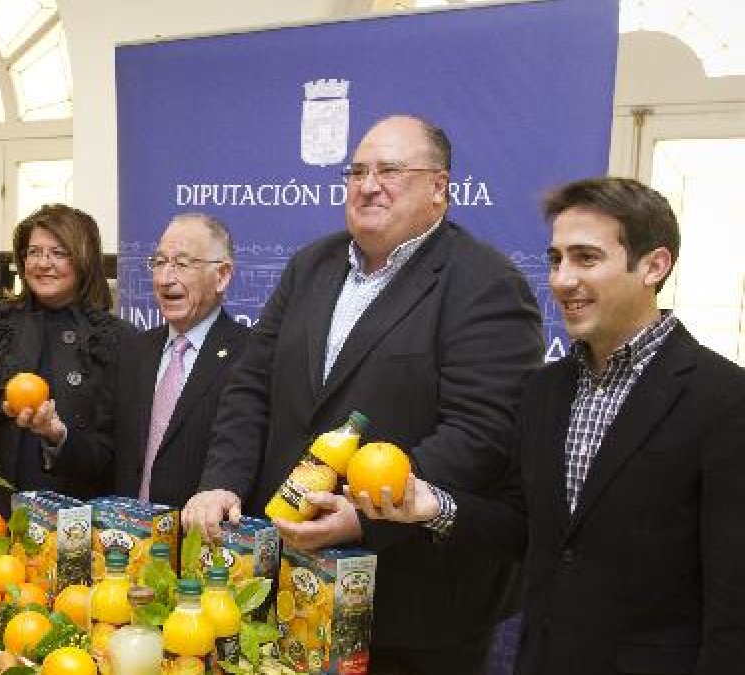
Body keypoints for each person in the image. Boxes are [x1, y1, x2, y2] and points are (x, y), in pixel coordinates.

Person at [183, 115, 545, 674]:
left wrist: (364, 514)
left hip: (411, 605)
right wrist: (222, 480)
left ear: (439, 187)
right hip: (285, 582)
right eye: (357, 172)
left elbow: (481, 434)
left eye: (390, 171)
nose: (368, 185)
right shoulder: (311, 264)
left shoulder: (486, 283)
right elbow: (250, 386)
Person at [349, 177, 745, 675]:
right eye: (556, 260)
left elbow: (734, 598)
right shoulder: (543, 391)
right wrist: (434, 505)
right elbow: (526, 530)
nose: (562, 280)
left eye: (586, 258)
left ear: (654, 265)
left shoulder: (723, 399)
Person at [55, 213, 249, 507]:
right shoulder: (133, 350)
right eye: (159, 262)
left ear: (221, 275)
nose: (164, 279)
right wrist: (59, 436)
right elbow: (104, 454)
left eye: (182, 264)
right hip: (126, 531)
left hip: (201, 532)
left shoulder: (249, 357)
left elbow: (243, 455)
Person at [0, 204, 134, 513]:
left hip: (75, 512)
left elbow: (116, 449)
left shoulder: (116, 337)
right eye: (34, 252)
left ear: (83, 259)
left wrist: (59, 437)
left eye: (58, 253)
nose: (43, 263)